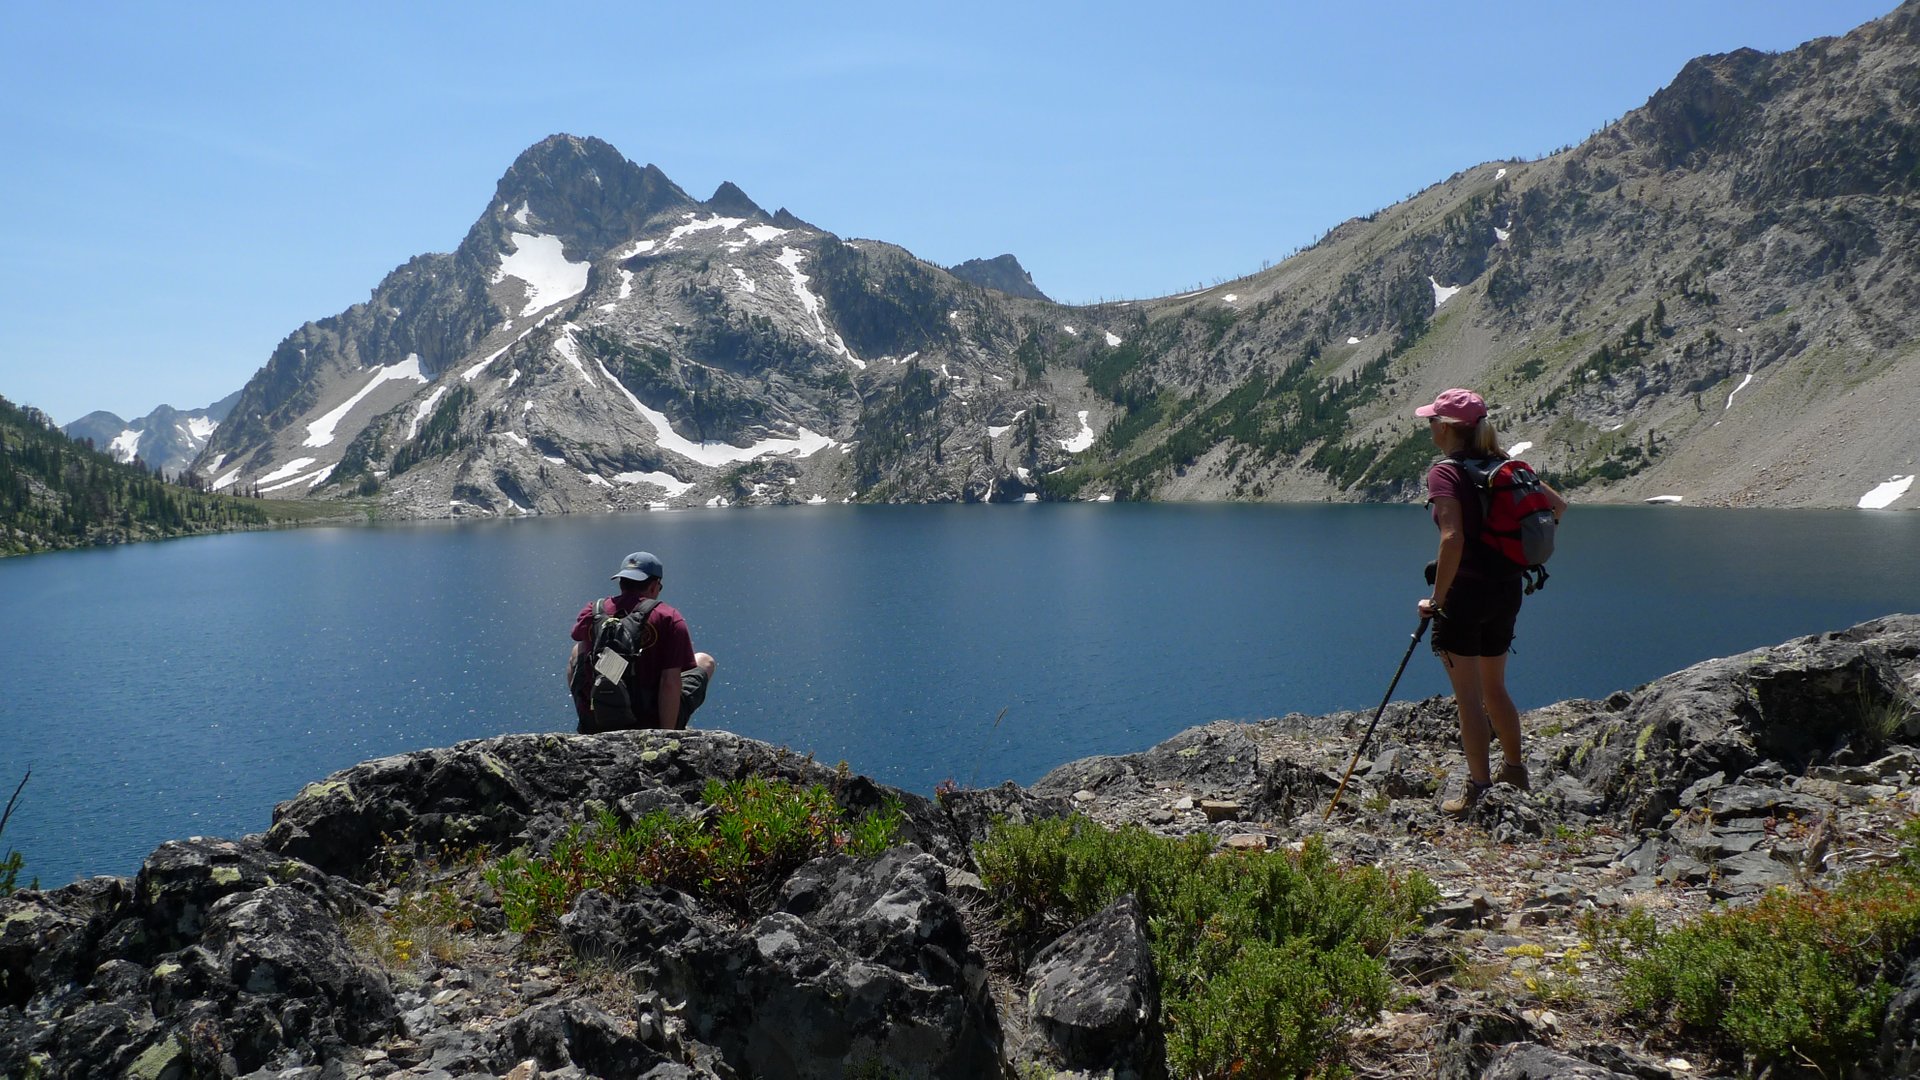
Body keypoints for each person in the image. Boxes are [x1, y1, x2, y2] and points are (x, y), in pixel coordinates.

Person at [1413, 389, 1567, 815]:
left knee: (1468, 697)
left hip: (1465, 595)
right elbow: (1558, 506)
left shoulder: (1445, 473)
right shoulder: (1506, 465)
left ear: (1445, 428)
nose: (1429, 427)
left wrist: (1435, 600)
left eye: (1431, 421)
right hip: (1507, 589)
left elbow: (1452, 537)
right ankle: (1514, 772)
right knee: (1495, 686)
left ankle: (1479, 789)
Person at [568, 551, 717, 732]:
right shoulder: (668, 617)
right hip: (649, 722)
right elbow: (669, 682)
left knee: (578, 650)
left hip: (598, 720)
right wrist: (665, 736)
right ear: (655, 586)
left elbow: (578, 649)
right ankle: (666, 730)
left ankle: (587, 719)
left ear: (621, 583)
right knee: (704, 660)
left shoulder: (594, 611)